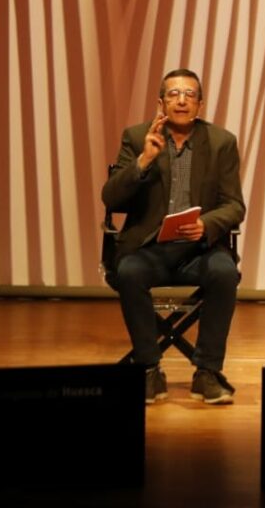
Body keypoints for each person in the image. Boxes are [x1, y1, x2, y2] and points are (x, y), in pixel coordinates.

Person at [102, 68, 246, 405]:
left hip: (200, 249)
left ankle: (207, 372)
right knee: (129, 272)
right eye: (173, 94)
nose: (181, 101)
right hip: (149, 249)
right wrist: (144, 161)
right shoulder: (137, 137)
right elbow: (111, 199)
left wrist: (207, 224)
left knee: (225, 273)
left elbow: (234, 205)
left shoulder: (221, 142)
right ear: (161, 103)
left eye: (189, 95)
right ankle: (149, 368)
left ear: (200, 104)